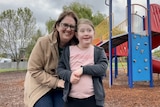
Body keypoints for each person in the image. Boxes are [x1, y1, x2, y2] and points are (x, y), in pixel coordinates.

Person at [24, 10, 79, 107]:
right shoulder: (43, 42)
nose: (68, 29)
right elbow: (33, 69)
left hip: (62, 87)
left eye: (72, 26)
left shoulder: (76, 47)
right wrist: (57, 82)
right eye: (65, 25)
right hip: (40, 85)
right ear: (57, 26)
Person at [57, 18, 108, 107]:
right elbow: (60, 69)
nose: (86, 33)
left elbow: (103, 68)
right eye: (82, 31)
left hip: (93, 99)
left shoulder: (99, 51)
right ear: (76, 34)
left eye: (89, 30)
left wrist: (83, 70)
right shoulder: (68, 50)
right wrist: (69, 75)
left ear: (94, 33)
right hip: (71, 100)